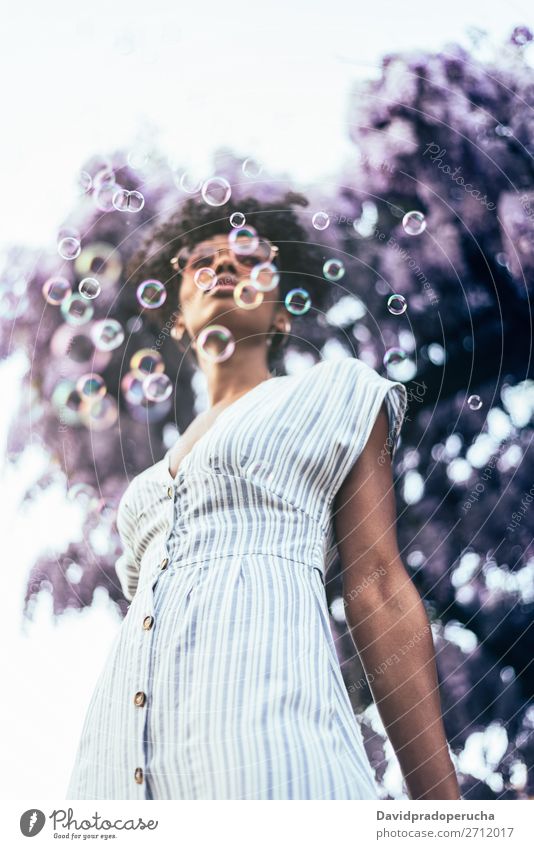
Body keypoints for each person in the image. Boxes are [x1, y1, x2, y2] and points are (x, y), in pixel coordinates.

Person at [66, 191, 461, 800]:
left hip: (271, 745)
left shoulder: (334, 391)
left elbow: (377, 584)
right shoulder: (143, 491)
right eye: (203, 260)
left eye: (248, 260)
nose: (224, 267)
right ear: (176, 315)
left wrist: (443, 817)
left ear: (282, 315)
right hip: (116, 769)